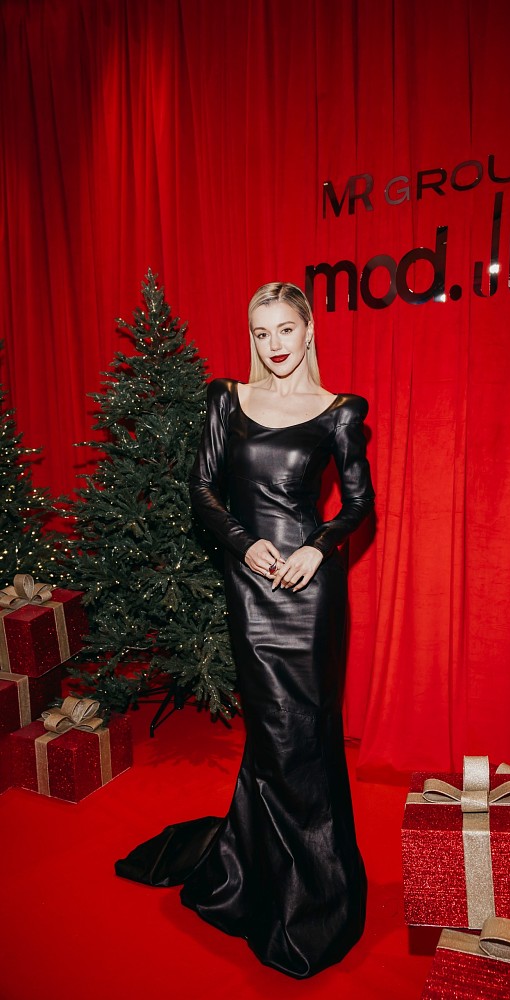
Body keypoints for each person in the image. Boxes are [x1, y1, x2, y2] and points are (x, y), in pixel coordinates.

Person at [115, 281, 375, 978]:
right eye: (262, 332)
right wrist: (241, 543)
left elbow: (359, 504)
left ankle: (317, 895)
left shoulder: (339, 411)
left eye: (286, 329)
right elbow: (202, 488)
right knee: (272, 733)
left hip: (311, 592)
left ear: (308, 331)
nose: (274, 344)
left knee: (309, 732)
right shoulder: (226, 400)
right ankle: (262, 876)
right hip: (251, 586)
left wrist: (318, 547)